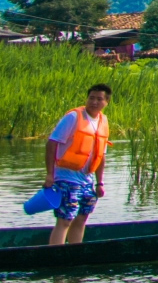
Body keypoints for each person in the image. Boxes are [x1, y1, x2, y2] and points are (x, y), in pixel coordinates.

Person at [46, 83, 111, 246]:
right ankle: (56, 256)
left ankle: (75, 252)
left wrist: (100, 182)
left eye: (99, 99)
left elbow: (101, 156)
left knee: (82, 217)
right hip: (66, 177)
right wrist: (50, 174)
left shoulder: (103, 121)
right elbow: (52, 143)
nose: (94, 102)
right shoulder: (74, 117)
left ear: (106, 102)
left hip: (87, 180)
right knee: (65, 219)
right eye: (91, 98)